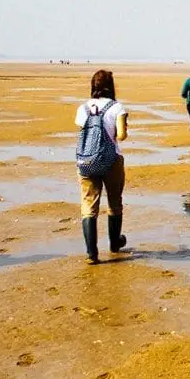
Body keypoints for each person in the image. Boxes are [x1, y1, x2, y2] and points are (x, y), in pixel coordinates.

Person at [75, 69, 128, 264]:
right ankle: (115, 243)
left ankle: (91, 253)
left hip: (86, 160)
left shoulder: (83, 108)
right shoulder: (117, 107)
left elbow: (82, 129)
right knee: (114, 202)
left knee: (89, 206)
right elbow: (121, 135)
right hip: (111, 159)